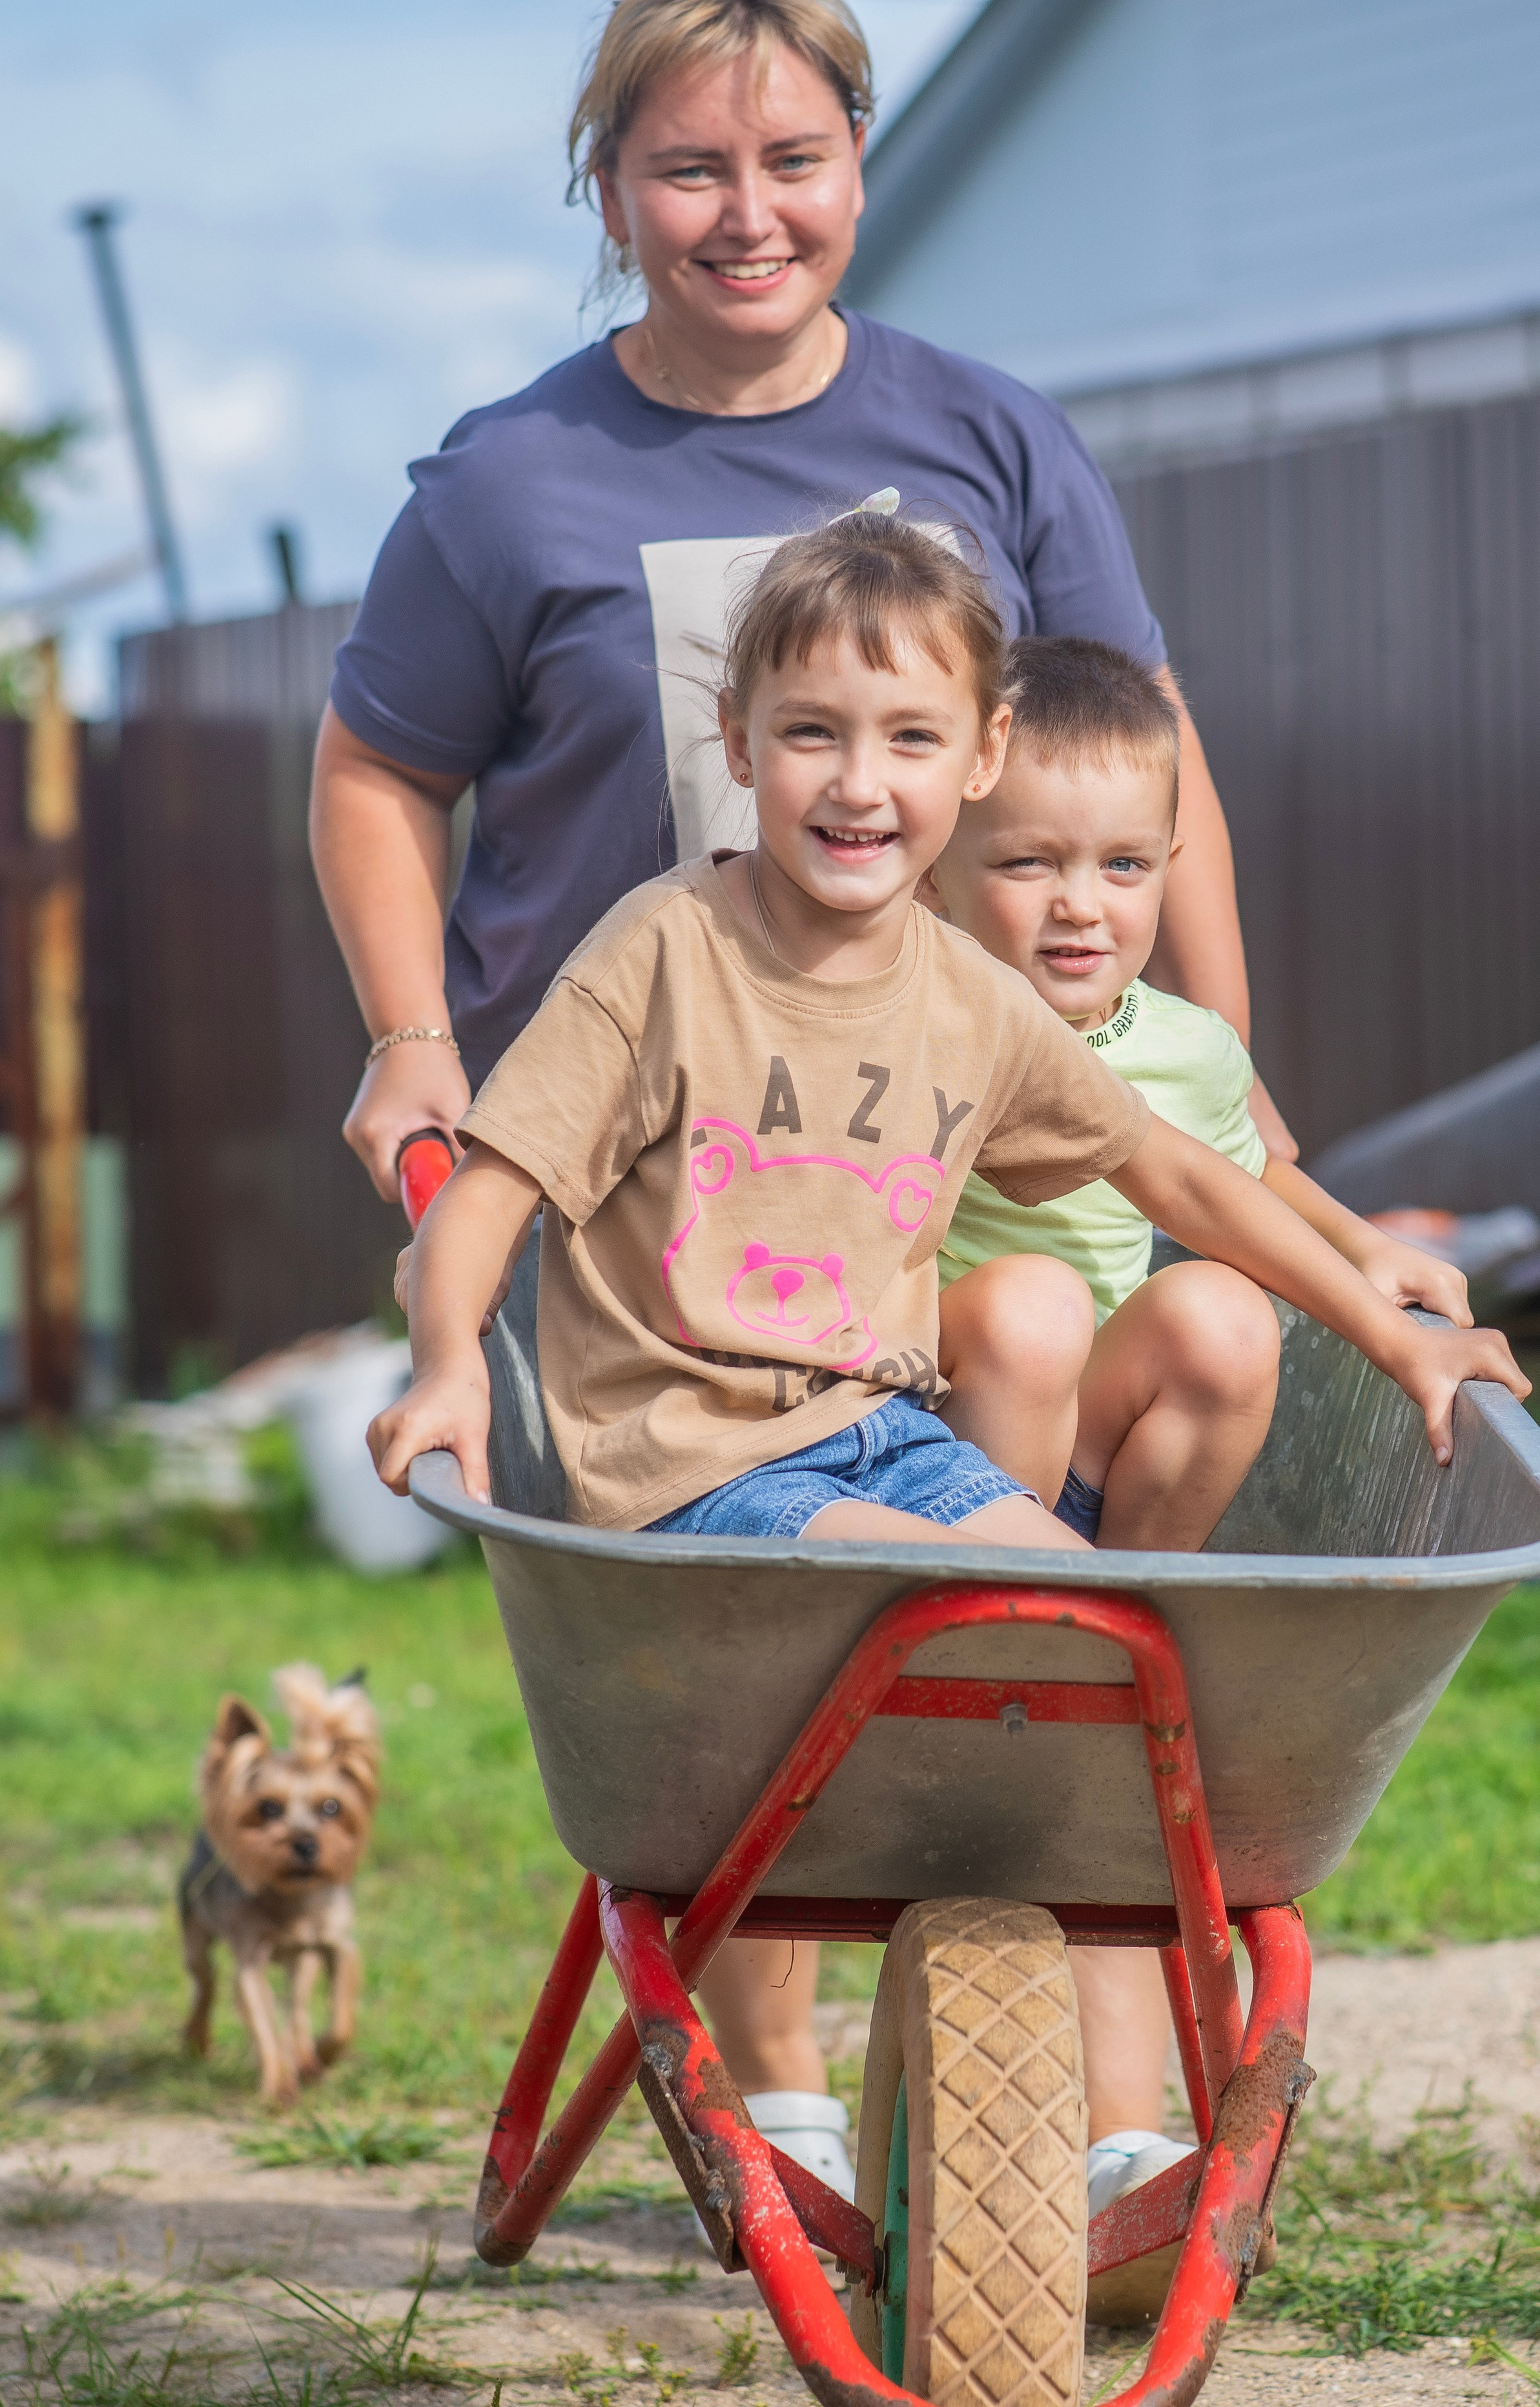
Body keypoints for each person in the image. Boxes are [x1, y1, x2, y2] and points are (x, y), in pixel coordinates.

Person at [311, 0, 1284, 2208]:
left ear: (860, 153)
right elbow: (379, 765)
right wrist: (412, 1042)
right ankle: (789, 2087)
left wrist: (1233, 1083)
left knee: (999, 1571)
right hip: (656, 1196)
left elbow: (1147, 762)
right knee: (761, 1632)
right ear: (609, 190)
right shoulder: (509, 482)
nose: (745, 215)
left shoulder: (990, 438)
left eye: (793, 158)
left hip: (937, 1134)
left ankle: (1075, 2047)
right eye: (686, 168)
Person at [367, 513, 1530, 2233]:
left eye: (911, 740)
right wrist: (457, 1362)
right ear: (737, 743)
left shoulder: (968, 1000)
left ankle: (1054, 2085)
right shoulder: (665, 954)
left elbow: (1187, 1182)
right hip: (687, 1472)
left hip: (881, 1439)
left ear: (978, 758)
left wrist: (1386, 1319)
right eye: (815, 734)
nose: (860, 783)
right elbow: (493, 1189)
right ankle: (845, 2076)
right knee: (959, 1609)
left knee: (1103, 1656)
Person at [924, 635, 1479, 2235]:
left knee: (1226, 1317)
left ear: (1173, 864)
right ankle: (1011, 1596)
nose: (1075, 904)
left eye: (1117, 864)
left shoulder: (1184, 1046)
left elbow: (1236, 1188)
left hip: (1080, 1443)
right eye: (1022, 862)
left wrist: (1360, 1253)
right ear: (948, 862)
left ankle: (1113, 1602)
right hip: (922, 1447)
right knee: (1026, 1303)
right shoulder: (919, 1003)